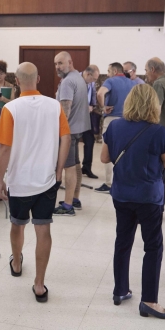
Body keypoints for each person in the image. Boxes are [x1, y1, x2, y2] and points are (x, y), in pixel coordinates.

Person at [0, 62, 70, 303]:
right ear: (38, 79)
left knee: (17, 225)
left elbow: (5, 148)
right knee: (43, 230)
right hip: (47, 181)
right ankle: (39, 285)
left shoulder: (11, 109)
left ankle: (16, 263)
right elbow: (66, 138)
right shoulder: (54, 106)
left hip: (19, 181)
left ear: (16, 82)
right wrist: (58, 171)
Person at [102, 84, 165, 319]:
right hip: (148, 198)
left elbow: (104, 157)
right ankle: (149, 301)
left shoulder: (114, 126)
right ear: (153, 105)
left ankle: (120, 290)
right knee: (152, 246)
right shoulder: (157, 131)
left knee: (123, 241)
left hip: (122, 194)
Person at [53, 52, 89, 216]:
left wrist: (58, 133)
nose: (57, 67)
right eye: (55, 64)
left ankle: (68, 206)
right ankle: (74, 198)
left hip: (69, 131)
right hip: (78, 128)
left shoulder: (68, 82)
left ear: (70, 62)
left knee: (69, 167)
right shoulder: (79, 78)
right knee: (75, 164)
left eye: (60, 63)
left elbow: (64, 112)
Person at [95, 62, 136, 193]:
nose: (107, 74)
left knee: (108, 151)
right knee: (125, 152)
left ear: (113, 71)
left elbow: (100, 94)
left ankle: (109, 184)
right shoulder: (132, 83)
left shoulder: (110, 81)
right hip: (129, 121)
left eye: (108, 71)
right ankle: (124, 181)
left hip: (112, 120)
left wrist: (103, 107)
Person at [81, 65, 101, 179]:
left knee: (90, 141)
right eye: (93, 79)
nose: (94, 82)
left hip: (87, 116)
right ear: (88, 74)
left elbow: (93, 95)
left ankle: (87, 167)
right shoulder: (74, 80)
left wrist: (92, 106)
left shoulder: (91, 82)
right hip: (75, 118)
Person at [145, 57, 165, 126]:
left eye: (146, 70)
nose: (146, 74)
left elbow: (156, 110)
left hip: (159, 127)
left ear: (152, 69)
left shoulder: (158, 83)